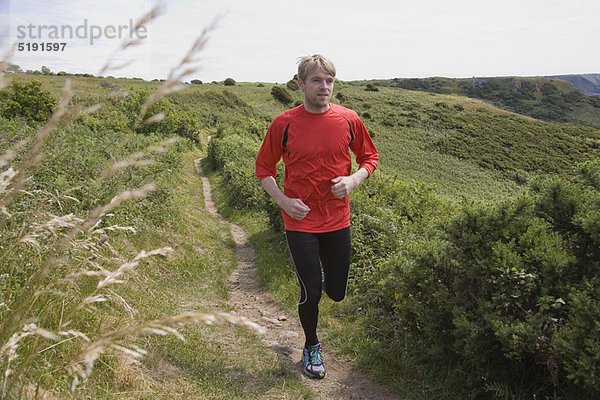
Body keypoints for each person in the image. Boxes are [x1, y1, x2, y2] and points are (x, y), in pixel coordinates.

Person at [255, 54, 378, 379]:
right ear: (301, 84)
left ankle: (318, 280)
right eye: (316, 80)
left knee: (336, 292)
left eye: (329, 81)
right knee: (310, 289)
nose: (324, 87)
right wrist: (283, 200)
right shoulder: (284, 123)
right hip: (300, 222)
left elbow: (369, 157)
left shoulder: (349, 119)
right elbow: (264, 168)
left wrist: (353, 180)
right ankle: (311, 345)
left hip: (338, 219)